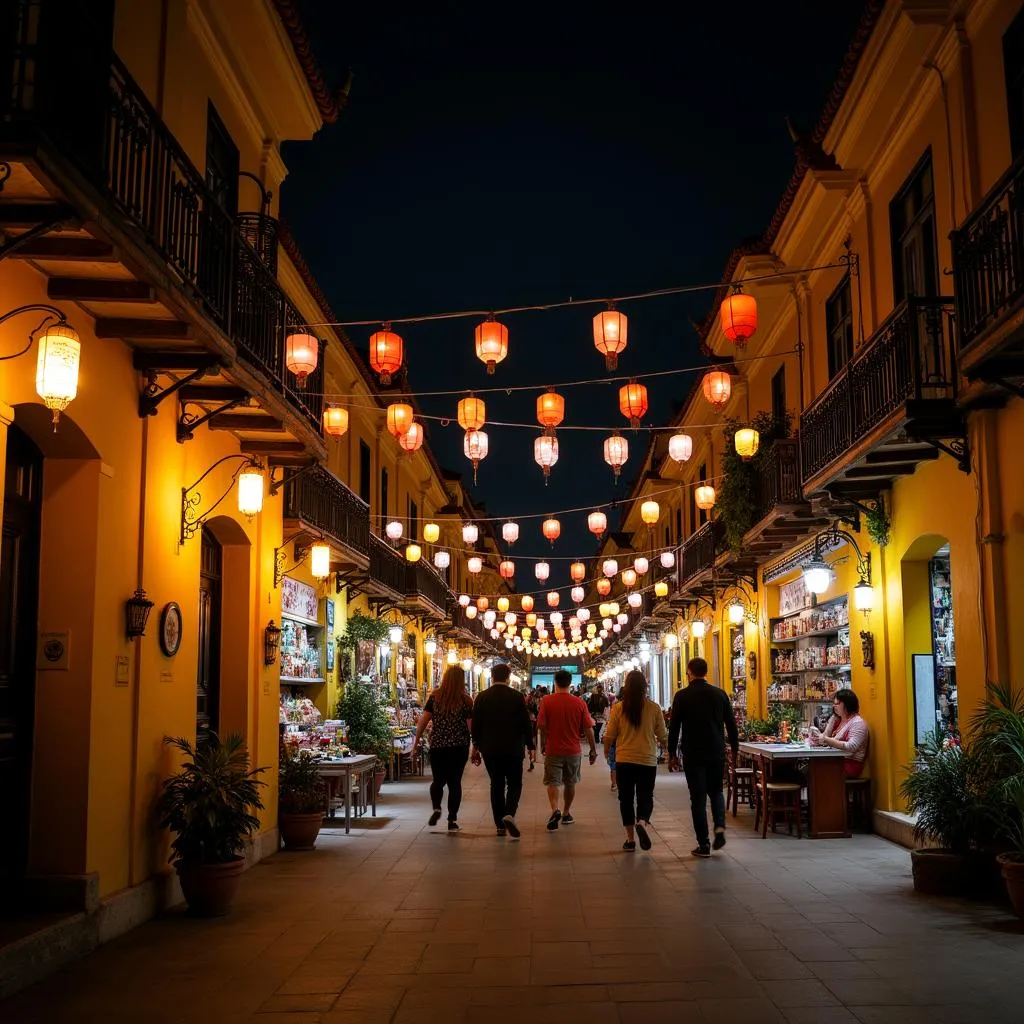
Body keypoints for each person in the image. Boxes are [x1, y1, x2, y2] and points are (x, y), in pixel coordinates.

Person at [668, 657, 739, 858]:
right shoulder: (720, 694)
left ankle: (704, 844)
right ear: (706, 672)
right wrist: (734, 748)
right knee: (716, 791)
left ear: (689, 672)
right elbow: (731, 724)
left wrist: (672, 753)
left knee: (697, 798)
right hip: (716, 751)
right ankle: (720, 826)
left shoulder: (681, 696)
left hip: (693, 753)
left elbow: (674, 728)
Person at [603, 670, 668, 851]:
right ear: (644, 687)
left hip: (624, 760)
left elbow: (610, 734)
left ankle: (630, 840)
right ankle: (642, 822)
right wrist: (671, 752)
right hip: (647, 760)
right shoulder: (654, 708)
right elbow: (662, 735)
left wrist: (607, 750)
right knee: (645, 796)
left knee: (626, 799)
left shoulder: (618, 708)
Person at [471, 663, 536, 837]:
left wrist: (475, 746)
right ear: (508, 677)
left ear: (492, 677)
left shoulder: (481, 697)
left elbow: (475, 725)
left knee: (496, 785)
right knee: (515, 784)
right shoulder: (517, 697)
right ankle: (509, 814)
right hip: (513, 748)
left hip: (490, 749)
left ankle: (499, 825)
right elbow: (525, 723)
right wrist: (531, 746)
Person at [413, 665, 473, 831]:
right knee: (455, 783)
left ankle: (437, 808)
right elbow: (470, 727)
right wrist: (477, 747)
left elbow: (423, 722)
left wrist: (416, 742)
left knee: (438, 781)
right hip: (459, 747)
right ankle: (452, 820)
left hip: (438, 747)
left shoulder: (435, 698)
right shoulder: (466, 700)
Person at [537, 669, 597, 830]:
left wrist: (543, 743)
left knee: (553, 782)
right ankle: (566, 812)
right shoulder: (579, 703)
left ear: (555, 682)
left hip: (553, 749)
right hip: (573, 750)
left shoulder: (546, 701)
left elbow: (541, 726)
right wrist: (593, 749)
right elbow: (589, 728)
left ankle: (554, 809)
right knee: (570, 783)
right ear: (570, 683)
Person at [810, 688, 869, 777]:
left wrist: (826, 739)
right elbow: (824, 738)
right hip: (837, 762)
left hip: (849, 765)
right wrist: (832, 720)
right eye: (833, 703)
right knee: (808, 767)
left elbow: (851, 747)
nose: (834, 706)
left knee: (811, 771)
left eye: (837, 704)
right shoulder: (839, 720)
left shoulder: (857, 723)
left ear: (848, 704)